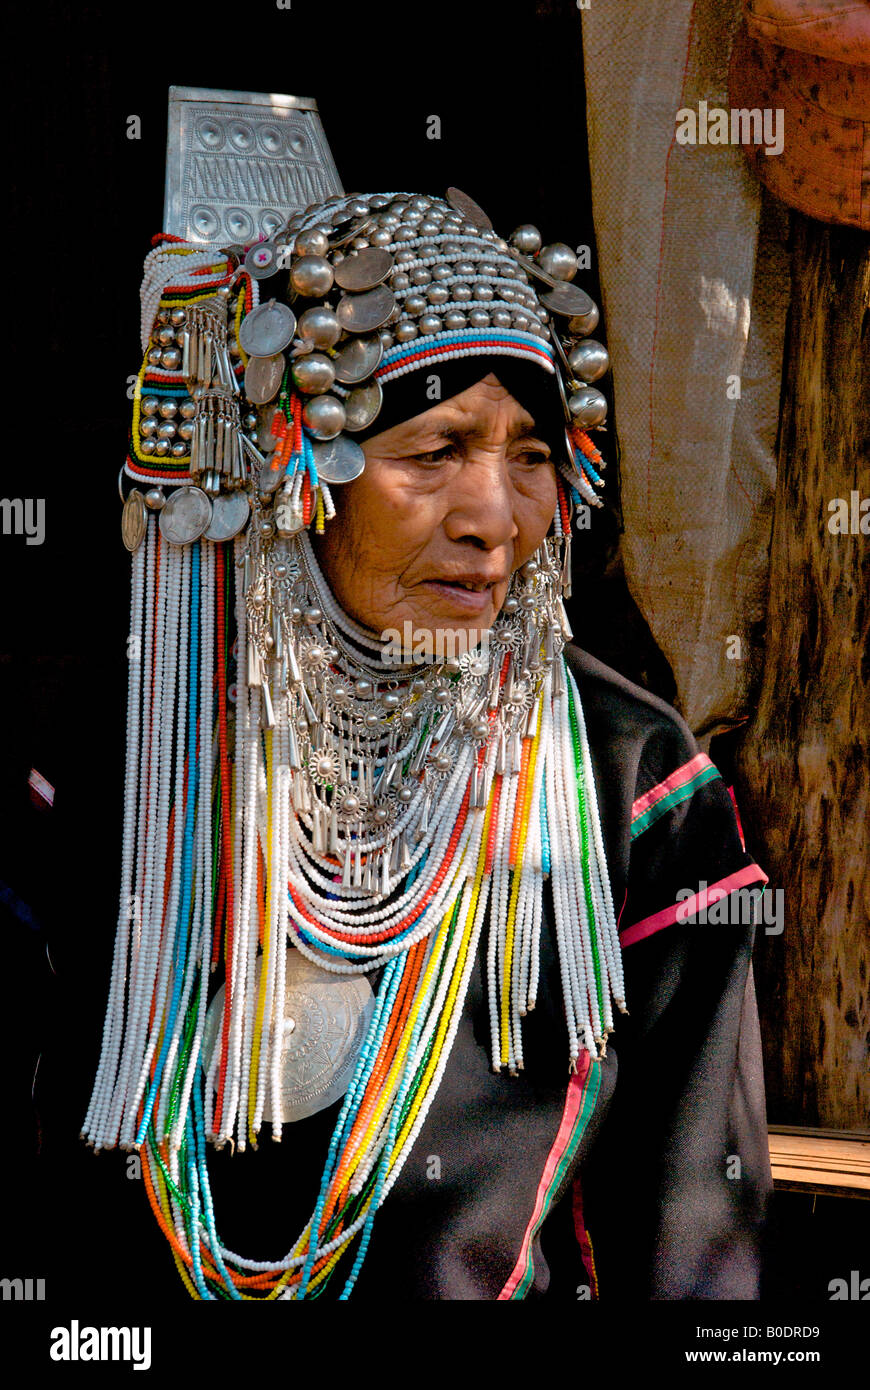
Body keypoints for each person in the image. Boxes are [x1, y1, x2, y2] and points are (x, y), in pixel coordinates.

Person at [84, 189, 771, 1300]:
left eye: (531, 454)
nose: (492, 516)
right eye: (437, 448)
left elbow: (693, 1252)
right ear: (296, 477)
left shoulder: (630, 781)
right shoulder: (153, 765)